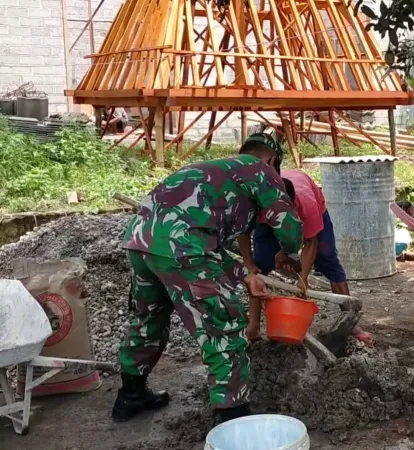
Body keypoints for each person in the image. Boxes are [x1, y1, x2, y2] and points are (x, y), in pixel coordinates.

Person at [113, 133, 303, 425]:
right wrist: (290, 252)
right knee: (223, 329)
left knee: (148, 318)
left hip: (141, 242)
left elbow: (205, 242)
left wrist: (246, 275)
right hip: (184, 248)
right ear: (273, 160)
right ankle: (232, 419)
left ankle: (131, 396)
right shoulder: (261, 170)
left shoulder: (212, 171)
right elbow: (287, 222)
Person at [237, 135, 374, 345]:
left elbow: (311, 242)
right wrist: (249, 266)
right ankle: (253, 326)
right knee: (260, 265)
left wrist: (303, 280)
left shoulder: (306, 203)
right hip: (266, 219)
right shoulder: (255, 200)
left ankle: (352, 322)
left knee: (328, 258)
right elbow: (244, 232)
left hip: (313, 204)